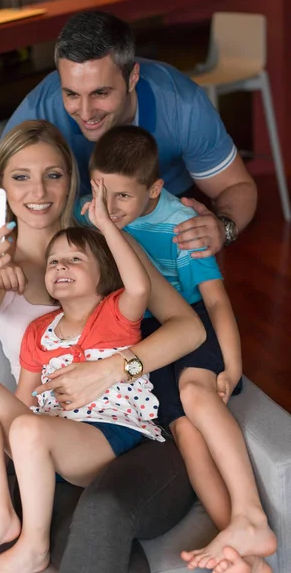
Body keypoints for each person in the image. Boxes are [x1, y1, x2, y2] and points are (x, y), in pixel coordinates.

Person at [0, 119, 206, 573]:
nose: (39, 191)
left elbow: (189, 329)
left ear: (73, 179)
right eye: (20, 176)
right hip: (49, 432)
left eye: (54, 174)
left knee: (99, 523)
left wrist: (110, 370)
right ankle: (9, 521)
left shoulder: (106, 247)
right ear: (0, 185)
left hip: (124, 428)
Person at [75, 125, 276, 572]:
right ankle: (241, 545)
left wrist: (233, 367)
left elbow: (217, 301)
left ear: (155, 188)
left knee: (196, 395)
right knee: (184, 432)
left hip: (191, 323)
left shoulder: (180, 224)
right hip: (144, 337)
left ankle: (251, 512)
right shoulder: (91, 215)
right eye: (101, 192)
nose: (109, 208)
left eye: (123, 197)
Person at [0, 10, 257, 259]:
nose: (86, 112)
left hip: (164, 220)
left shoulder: (182, 104)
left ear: (132, 78)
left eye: (100, 93)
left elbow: (236, 186)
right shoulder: (40, 107)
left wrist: (224, 227)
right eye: (72, 94)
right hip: (78, 224)